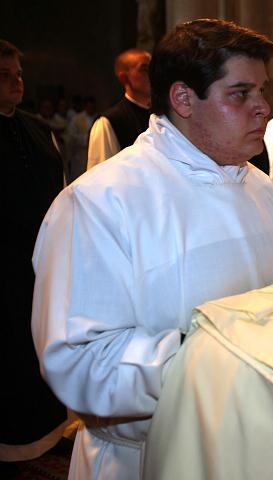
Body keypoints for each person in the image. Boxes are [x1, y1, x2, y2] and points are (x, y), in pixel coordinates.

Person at [32, 20, 273, 479]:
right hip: (150, 457)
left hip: (264, 444)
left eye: (262, 91)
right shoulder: (101, 202)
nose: (262, 107)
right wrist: (228, 357)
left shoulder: (261, 188)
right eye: (240, 93)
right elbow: (79, 361)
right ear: (183, 99)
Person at [0, 39, 67, 464]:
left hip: (39, 261)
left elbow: (60, 190)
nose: (17, 82)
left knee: (40, 337)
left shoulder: (39, 129)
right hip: (3, 265)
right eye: (5, 75)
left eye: (19, 74)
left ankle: (47, 433)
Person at [87, 49, 152, 170]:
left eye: (153, 68)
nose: (152, 74)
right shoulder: (109, 122)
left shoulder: (163, 115)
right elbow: (101, 174)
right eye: (144, 69)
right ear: (124, 78)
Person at [65, 95, 97, 181]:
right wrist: (87, 138)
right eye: (89, 107)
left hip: (94, 153)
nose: (91, 109)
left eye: (92, 107)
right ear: (85, 106)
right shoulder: (76, 119)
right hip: (80, 156)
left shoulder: (98, 118)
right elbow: (71, 136)